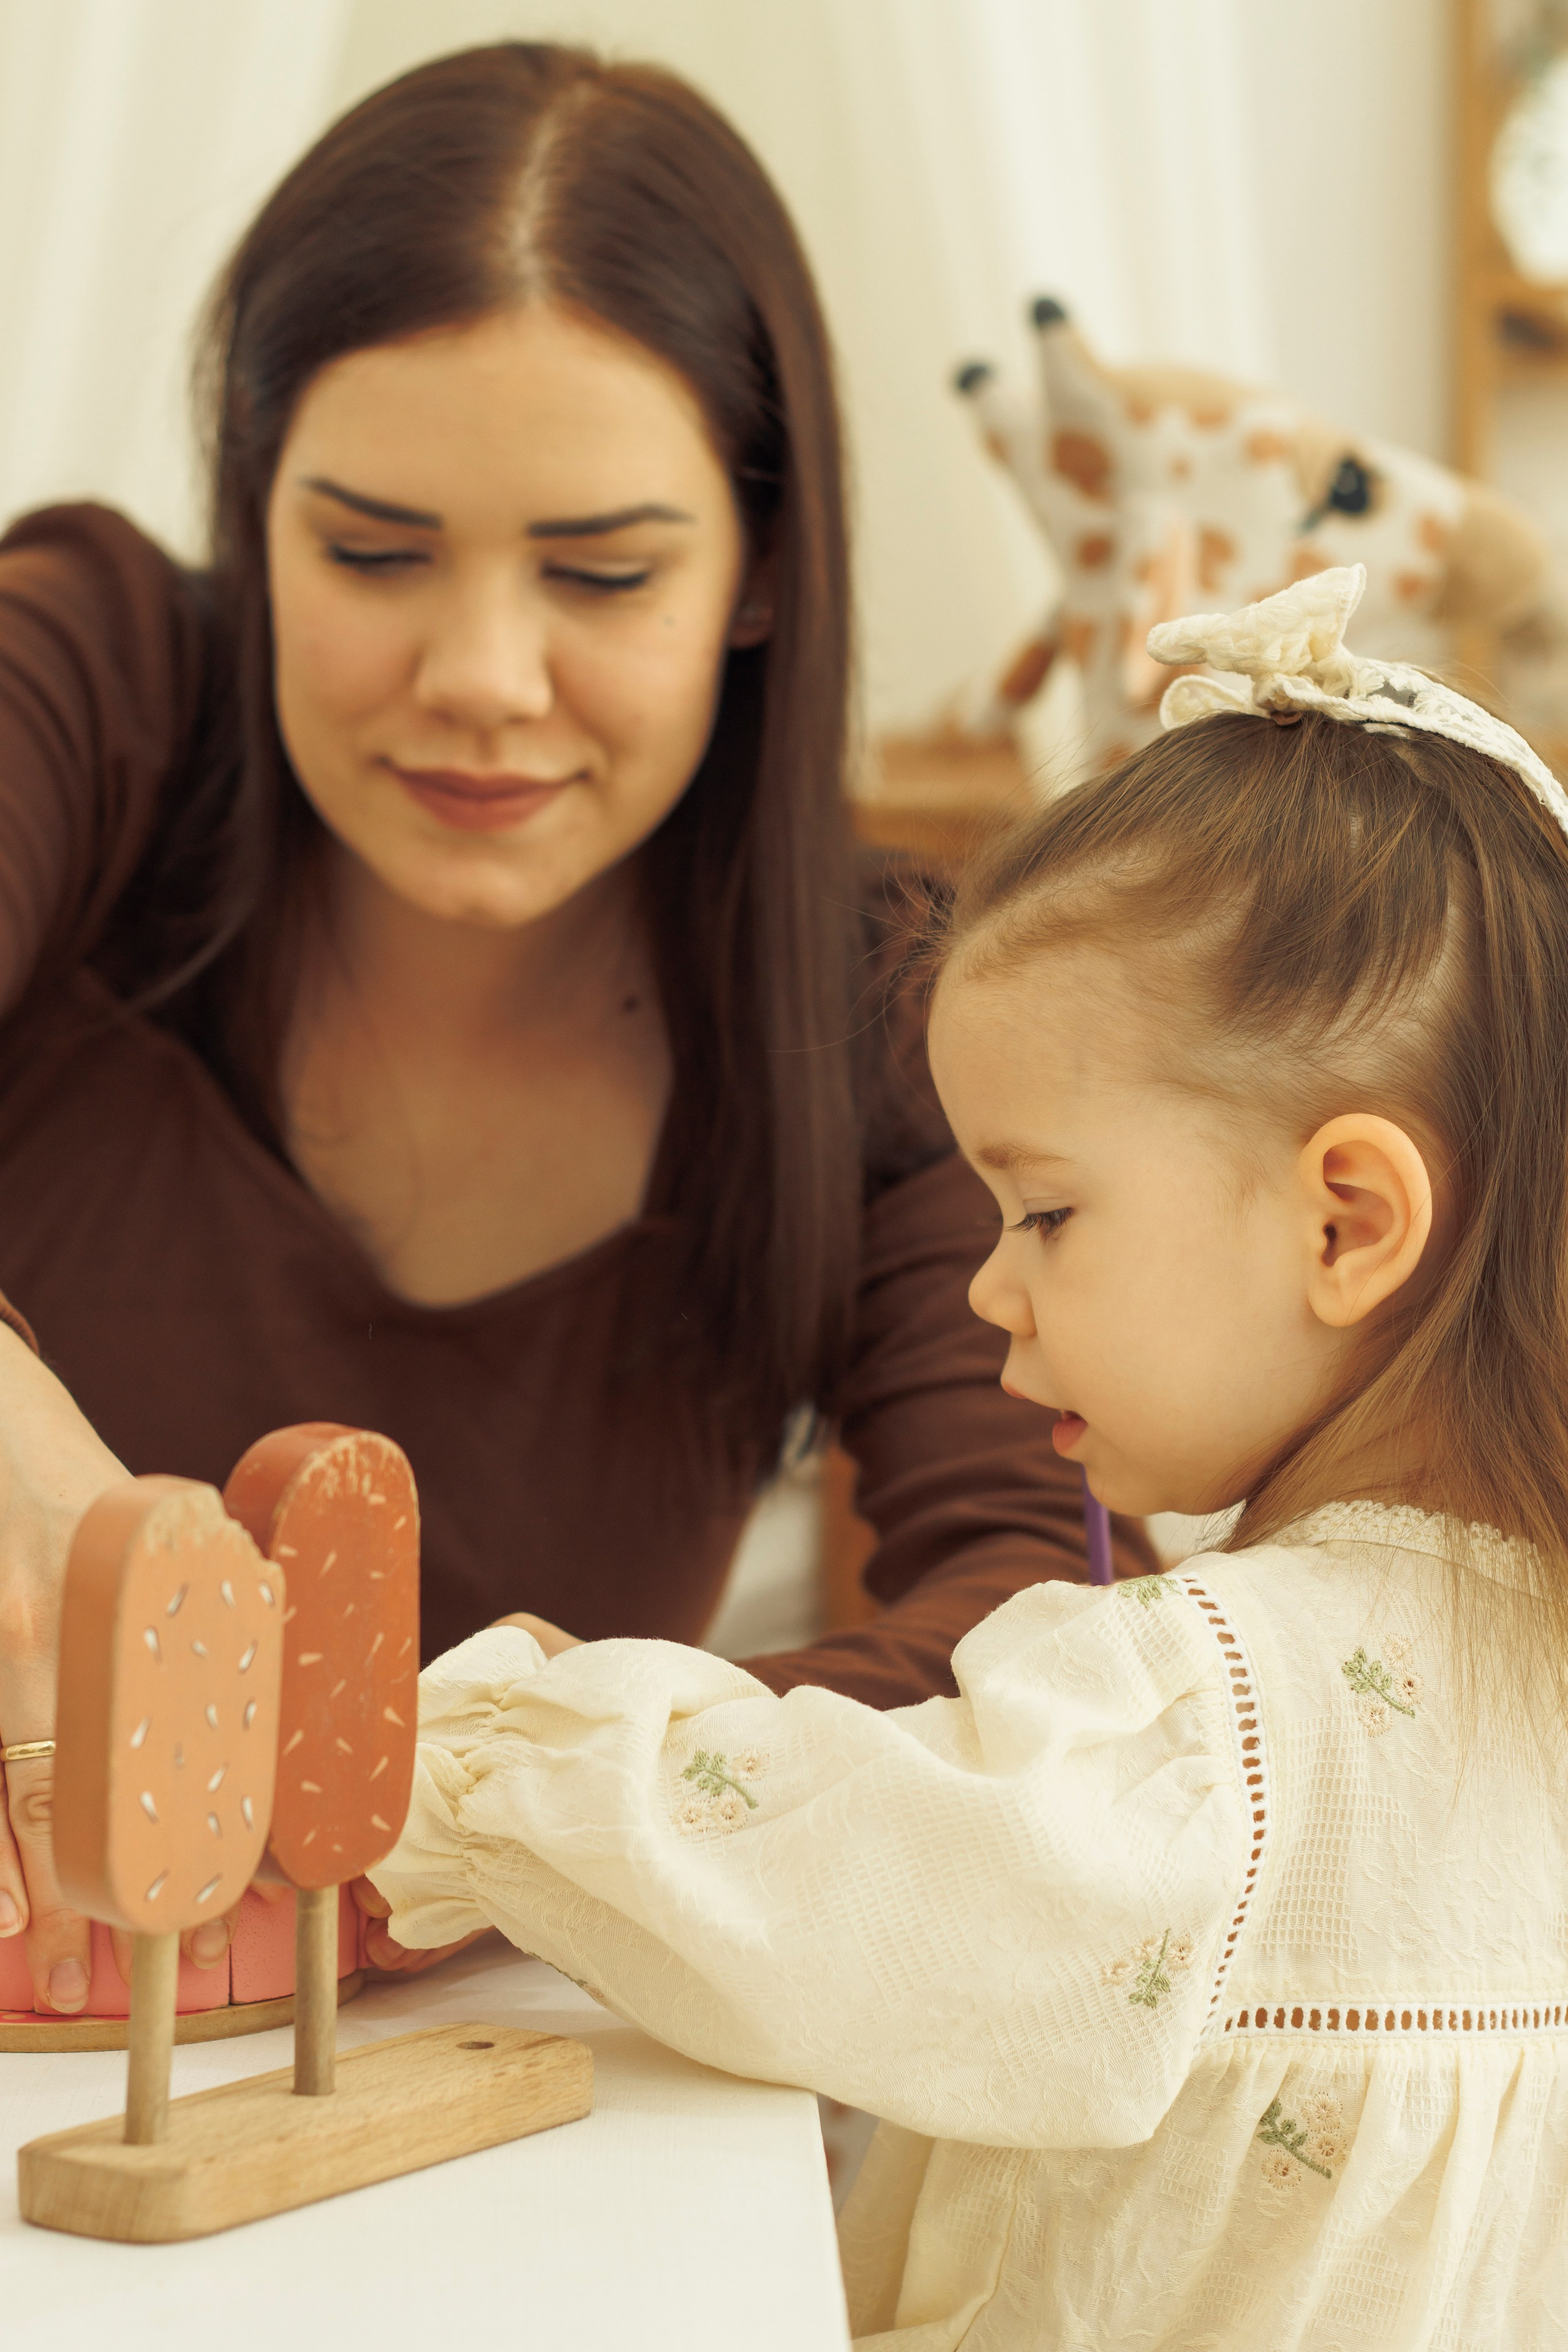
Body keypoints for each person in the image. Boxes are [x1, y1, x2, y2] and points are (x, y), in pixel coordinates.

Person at [0, 40, 1152, 2016]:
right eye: (368, 554)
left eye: (603, 574)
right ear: (253, 513)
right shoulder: (94, 675)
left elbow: (1042, 1667)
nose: (480, 678)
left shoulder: (896, 1023)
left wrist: (410, 1807)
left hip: (498, 2144)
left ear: (762, 573)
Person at [365, 568, 1568, 2345]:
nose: (989, 1287)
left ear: (1347, 1223)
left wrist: (449, 1764)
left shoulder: (1213, 1727)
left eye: (1047, 1210)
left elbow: (827, 1879)